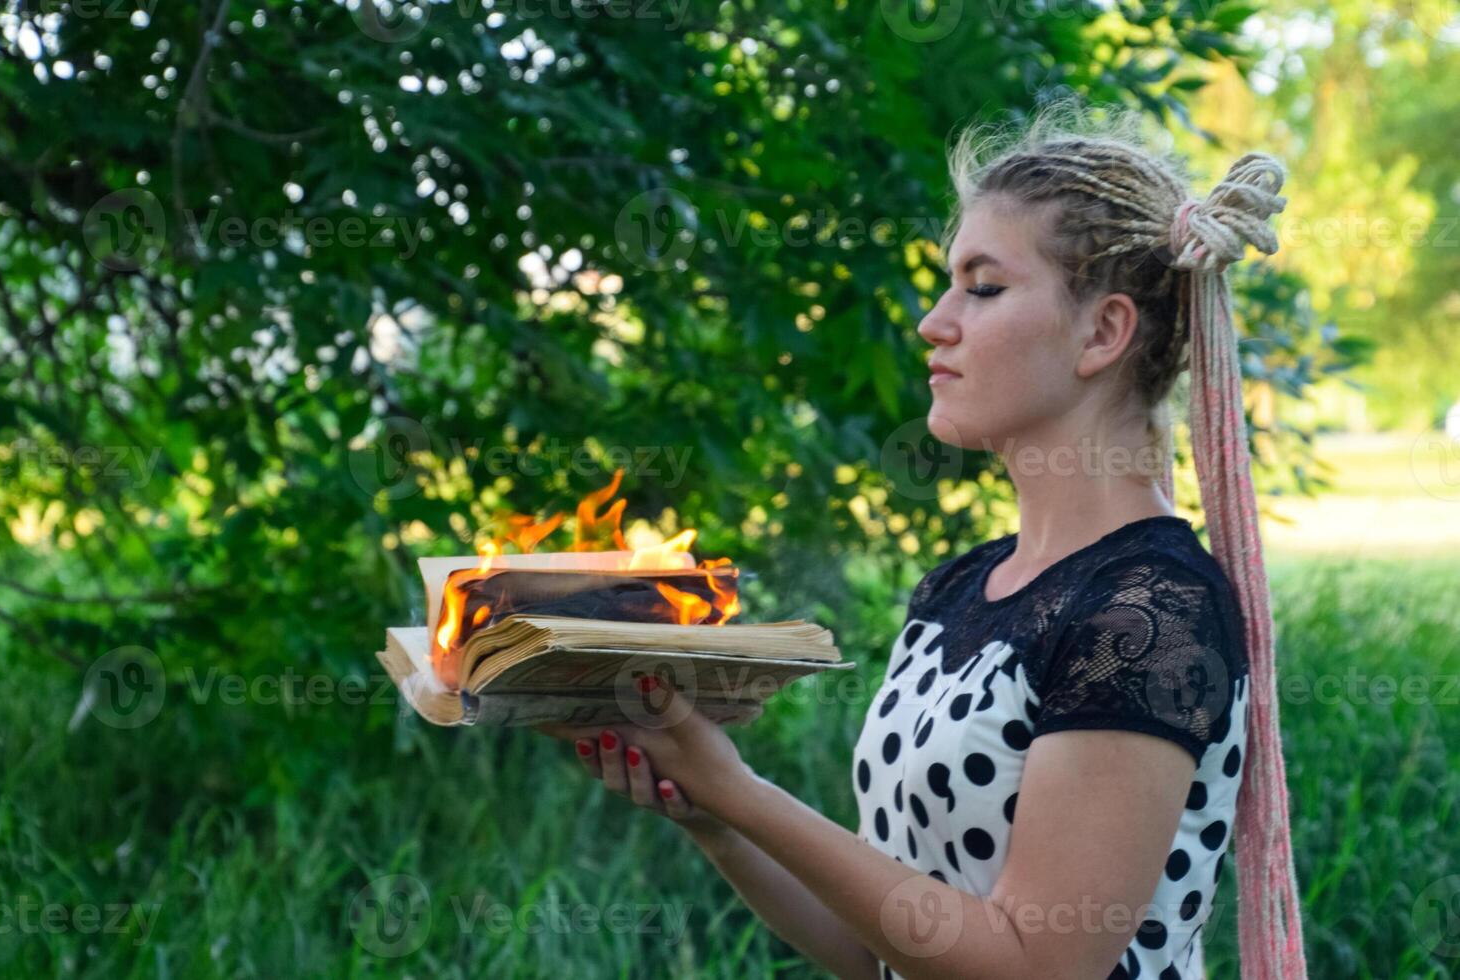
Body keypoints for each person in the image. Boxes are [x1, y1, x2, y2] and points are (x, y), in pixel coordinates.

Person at [540, 100, 1308, 980]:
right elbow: (884, 951)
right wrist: (714, 816)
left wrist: (736, 787)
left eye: (982, 287)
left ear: (1103, 332)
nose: (933, 323)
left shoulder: (1150, 610)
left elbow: (1035, 967)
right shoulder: (960, 591)